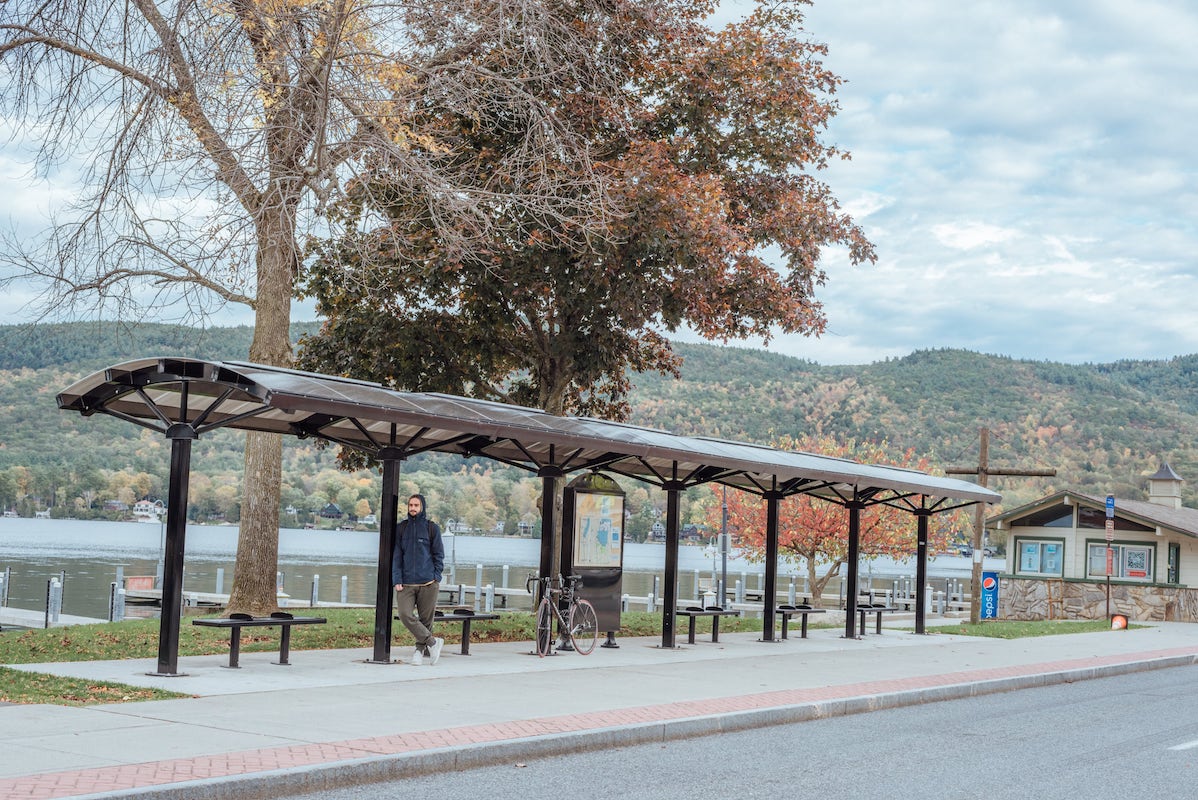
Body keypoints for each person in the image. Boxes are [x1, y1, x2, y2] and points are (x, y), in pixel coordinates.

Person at [392, 493, 445, 665]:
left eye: (416, 505)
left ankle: (419, 652)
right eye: (410, 505)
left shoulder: (431, 528)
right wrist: (397, 578)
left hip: (428, 583)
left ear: (422, 507)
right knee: (405, 614)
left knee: (426, 620)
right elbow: (397, 555)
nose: (413, 508)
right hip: (406, 583)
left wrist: (436, 577)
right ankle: (433, 643)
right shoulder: (401, 528)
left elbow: (439, 555)